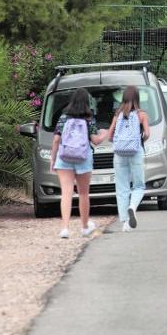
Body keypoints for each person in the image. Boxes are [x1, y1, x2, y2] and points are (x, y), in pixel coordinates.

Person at [51, 88, 109, 239]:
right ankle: (84, 227)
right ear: (87, 102)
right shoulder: (89, 118)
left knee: (66, 193)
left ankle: (64, 228)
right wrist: (104, 133)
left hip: (64, 158)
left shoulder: (64, 118)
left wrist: (53, 159)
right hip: (83, 158)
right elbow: (95, 141)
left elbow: (56, 140)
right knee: (83, 194)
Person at [108, 85, 150, 233]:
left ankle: (125, 222)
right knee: (138, 186)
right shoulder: (141, 114)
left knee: (122, 188)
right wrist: (139, 138)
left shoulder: (117, 114)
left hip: (119, 153)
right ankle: (133, 206)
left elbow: (110, 135)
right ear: (137, 98)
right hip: (136, 152)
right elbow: (147, 134)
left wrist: (120, 142)